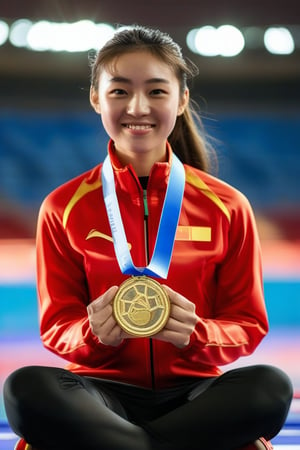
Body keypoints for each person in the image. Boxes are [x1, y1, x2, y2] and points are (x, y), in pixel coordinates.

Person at [4, 25, 293, 450]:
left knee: (270, 386)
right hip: (98, 393)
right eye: (119, 91)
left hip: (196, 394)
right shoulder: (62, 207)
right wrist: (92, 333)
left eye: (156, 91)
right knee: (25, 389)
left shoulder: (227, 206)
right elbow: (56, 327)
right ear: (95, 98)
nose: (138, 106)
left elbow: (247, 325)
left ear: (181, 101)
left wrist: (197, 333)